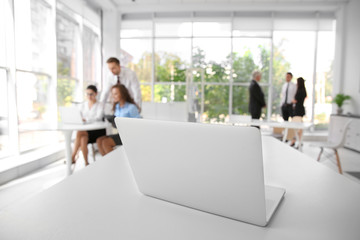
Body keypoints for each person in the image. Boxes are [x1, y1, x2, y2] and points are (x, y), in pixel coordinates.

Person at [96, 84, 140, 156]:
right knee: (99, 140)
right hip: (121, 133)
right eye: (112, 94)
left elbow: (138, 124)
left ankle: (115, 164)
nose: (113, 96)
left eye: (115, 94)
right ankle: (108, 163)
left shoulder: (131, 107)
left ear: (122, 94)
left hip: (129, 135)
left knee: (105, 143)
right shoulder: (117, 106)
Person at [71, 85, 105, 166]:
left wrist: (86, 119)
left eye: (91, 94)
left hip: (97, 131)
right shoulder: (83, 105)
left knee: (80, 133)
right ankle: (86, 162)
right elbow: (78, 115)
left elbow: (98, 117)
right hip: (85, 130)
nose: (89, 96)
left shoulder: (100, 105)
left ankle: (72, 157)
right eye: (87, 94)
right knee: (83, 139)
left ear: (96, 94)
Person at [290, 77, 307, 147]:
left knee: (296, 127)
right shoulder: (304, 90)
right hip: (301, 109)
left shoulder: (300, 90)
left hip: (298, 110)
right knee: (299, 127)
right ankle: (299, 141)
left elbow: (296, 100)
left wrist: (292, 101)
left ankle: (294, 141)